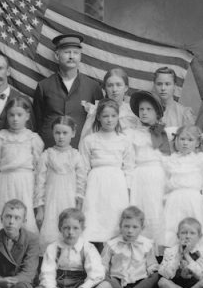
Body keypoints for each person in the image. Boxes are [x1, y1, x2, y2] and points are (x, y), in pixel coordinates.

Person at [29, 208, 113, 288]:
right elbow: (47, 273)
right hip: (59, 287)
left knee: (106, 287)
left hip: (80, 286)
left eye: (75, 228)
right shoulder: (53, 248)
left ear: (82, 229)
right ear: (60, 228)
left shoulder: (88, 248)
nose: (70, 232)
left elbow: (96, 273)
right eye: (66, 228)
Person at [79, 99, 135, 250]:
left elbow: (129, 167)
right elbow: (83, 168)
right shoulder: (90, 140)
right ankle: (93, 256)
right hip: (95, 184)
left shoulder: (124, 140)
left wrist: (128, 190)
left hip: (117, 184)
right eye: (105, 116)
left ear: (118, 117)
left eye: (113, 116)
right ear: (98, 117)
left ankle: (114, 258)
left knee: (114, 219)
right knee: (94, 218)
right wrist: (81, 192)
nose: (109, 120)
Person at [32, 34, 104, 149]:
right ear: (57, 55)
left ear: (80, 56)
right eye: (67, 52)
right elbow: (37, 122)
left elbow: (99, 122)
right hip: (49, 149)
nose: (71, 56)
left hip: (81, 150)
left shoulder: (93, 87)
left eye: (76, 53)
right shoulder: (43, 86)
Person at [0, 96, 44, 235]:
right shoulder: (0, 137)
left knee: (24, 218)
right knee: (5, 217)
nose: (15, 119)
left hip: (26, 183)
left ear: (27, 116)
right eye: (11, 115)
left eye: (19, 115)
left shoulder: (33, 138)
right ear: (6, 116)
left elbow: (39, 170)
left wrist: (38, 197)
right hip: (4, 183)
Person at [34, 117, 87, 255]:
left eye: (65, 133)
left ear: (73, 133)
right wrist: (40, 209)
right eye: (57, 133)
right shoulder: (47, 155)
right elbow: (39, 182)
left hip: (69, 199)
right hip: (51, 200)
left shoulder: (76, 156)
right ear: (53, 133)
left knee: (69, 228)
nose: (61, 136)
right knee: (51, 232)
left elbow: (81, 183)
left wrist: (78, 207)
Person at [126, 90, 170, 247]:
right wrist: (128, 186)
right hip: (140, 178)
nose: (144, 112)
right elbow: (129, 163)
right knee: (141, 211)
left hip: (159, 177)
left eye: (149, 109)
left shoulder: (166, 134)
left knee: (157, 213)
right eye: (141, 109)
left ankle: (159, 254)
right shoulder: (131, 134)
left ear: (157, 112)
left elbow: (168, 160)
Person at [162, 126, 203, 251]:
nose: (185, 143)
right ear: (176, 140)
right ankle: (172, 260)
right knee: (173, 236)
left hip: (194, 201)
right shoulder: (170, 160)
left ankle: (194, 260)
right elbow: (165, 186)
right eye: (182, 139)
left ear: (197, 143)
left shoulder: (201, 160)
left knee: (194, 235)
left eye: (190, 140)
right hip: (174, 202)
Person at [101, 206, 161, 288]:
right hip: (118, 283)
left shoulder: (147, 244)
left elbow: (152, 265)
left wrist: (152, 270)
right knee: (100, 274)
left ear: (142, 228)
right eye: (126, 226)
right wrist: (104, 272)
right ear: (120, 226)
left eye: (135, 227)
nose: (130, 230)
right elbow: (103, 264)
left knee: (157, 275)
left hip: (139, 283)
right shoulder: (111, 244)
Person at [153, 217, 203, 288]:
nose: (187, 236)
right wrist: (178, 255)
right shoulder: (171, 251)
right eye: (184, 233)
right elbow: (166, 274)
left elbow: (201, 274)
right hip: (178, 287)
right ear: (178, 235)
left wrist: (186, 255)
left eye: (192, 233)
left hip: (196, 286)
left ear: (200, 236)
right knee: (162, 282)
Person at [80, 68, 139, 143]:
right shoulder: (97, 111)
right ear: (105, 88)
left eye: (118, 85)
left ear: (126, 88)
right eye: (110, 85)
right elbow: (86, 141)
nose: (114, 89)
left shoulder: (133, 112)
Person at [153, 66, 196, 133]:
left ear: (174, 86)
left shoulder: (183, 114)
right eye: (159, 84)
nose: (163, 88)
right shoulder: (147, 111)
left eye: (167, 84)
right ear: (154, 86)